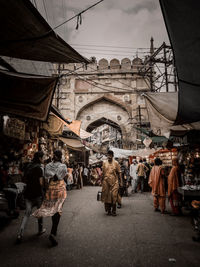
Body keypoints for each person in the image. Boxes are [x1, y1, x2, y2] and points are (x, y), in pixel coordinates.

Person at [32, 150, 67, 246]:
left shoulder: (47, 166)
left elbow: (46, 177)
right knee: (58, 209)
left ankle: (53, 232)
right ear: (60, 157)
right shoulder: (63, 166)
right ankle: (53, 232)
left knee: (53, 209)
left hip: (51, 188)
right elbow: (63, 176)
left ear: (53, 156)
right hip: (60, 188)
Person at [16, 151, 45, 243]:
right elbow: (41, 183)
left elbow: (24, 178)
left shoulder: (28, 166)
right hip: (37, 194)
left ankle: (20, 234)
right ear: (40, 158)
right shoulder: (39, 169)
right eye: (43, 157)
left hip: (28, 193)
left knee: (27, 214)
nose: (43, 159)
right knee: (39, 213)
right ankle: (40, 230)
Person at [101, 150, 123, 216]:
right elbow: (103, 173)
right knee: (107, 196)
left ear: (112, 156)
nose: (109, 157)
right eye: (108, 155)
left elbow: (119, 173)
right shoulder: (104, 163)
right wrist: (101, 181)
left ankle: (114, 210)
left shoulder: (116, 163)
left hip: (114, 182)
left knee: (114, 196)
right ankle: (109, 210)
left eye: (110, 155)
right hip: (106, 182)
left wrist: (121, 182)